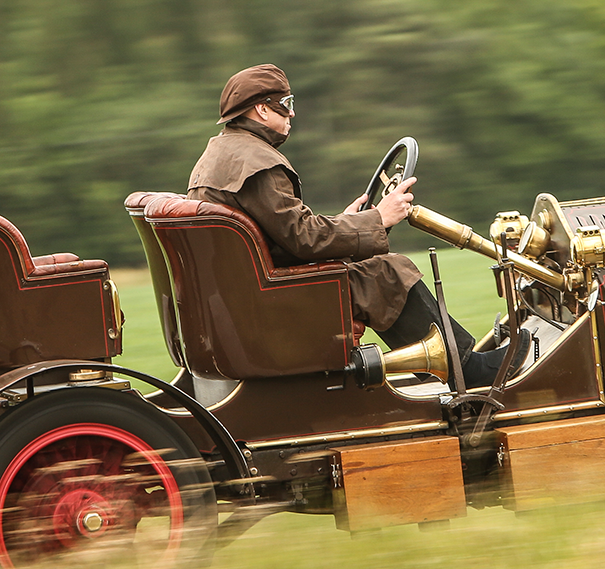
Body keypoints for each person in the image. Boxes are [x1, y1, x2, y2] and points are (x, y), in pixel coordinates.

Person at [187, 63, 510, 386]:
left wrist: (352, 222)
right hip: (272, 306)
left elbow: (282, 234)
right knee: (387, 273)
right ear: (260, 109)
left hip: (245, 301)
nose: (292, 114)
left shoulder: (219, 156)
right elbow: (303, 239)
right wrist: (378, 218)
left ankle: (459, 362)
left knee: (376, 268)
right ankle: (468, 372)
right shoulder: (257, 164)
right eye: (286, 105)